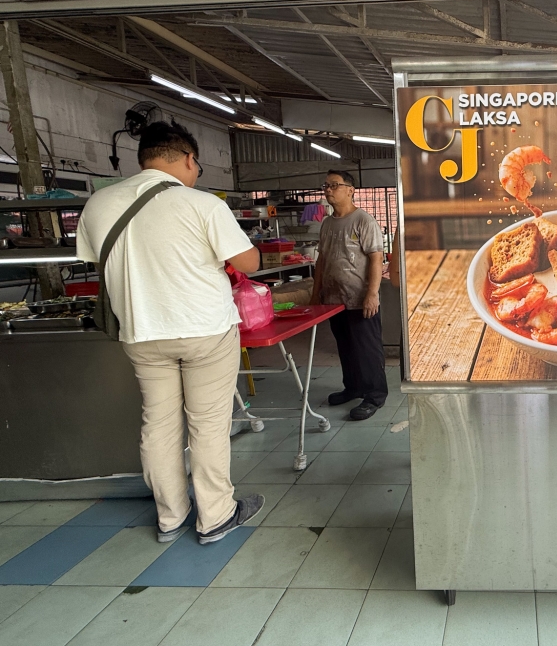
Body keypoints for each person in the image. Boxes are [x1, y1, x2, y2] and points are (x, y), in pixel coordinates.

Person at [76, 121, 264, 545]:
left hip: (141, 332)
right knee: (207, 425)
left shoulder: (98, 204)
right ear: (187, 159)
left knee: (158, 424)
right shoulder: (202, 204)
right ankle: (215, 515)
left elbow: (98, 264)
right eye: (197, 165)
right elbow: (250, 263)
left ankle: (169, 516)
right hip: (204, 331)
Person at [310, 170, 388, 420]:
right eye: (326, 185)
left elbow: (377, 258)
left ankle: (375, 395)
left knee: (367, 349)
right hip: (334, 300)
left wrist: (372, 294)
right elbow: (322, 260)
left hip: (359, 299)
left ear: (351, 190)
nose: (328, 189)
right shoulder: (328, 223)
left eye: (334, 185)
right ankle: (353, 387)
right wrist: (316, 293)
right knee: (345, 347)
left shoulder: (363, 220)